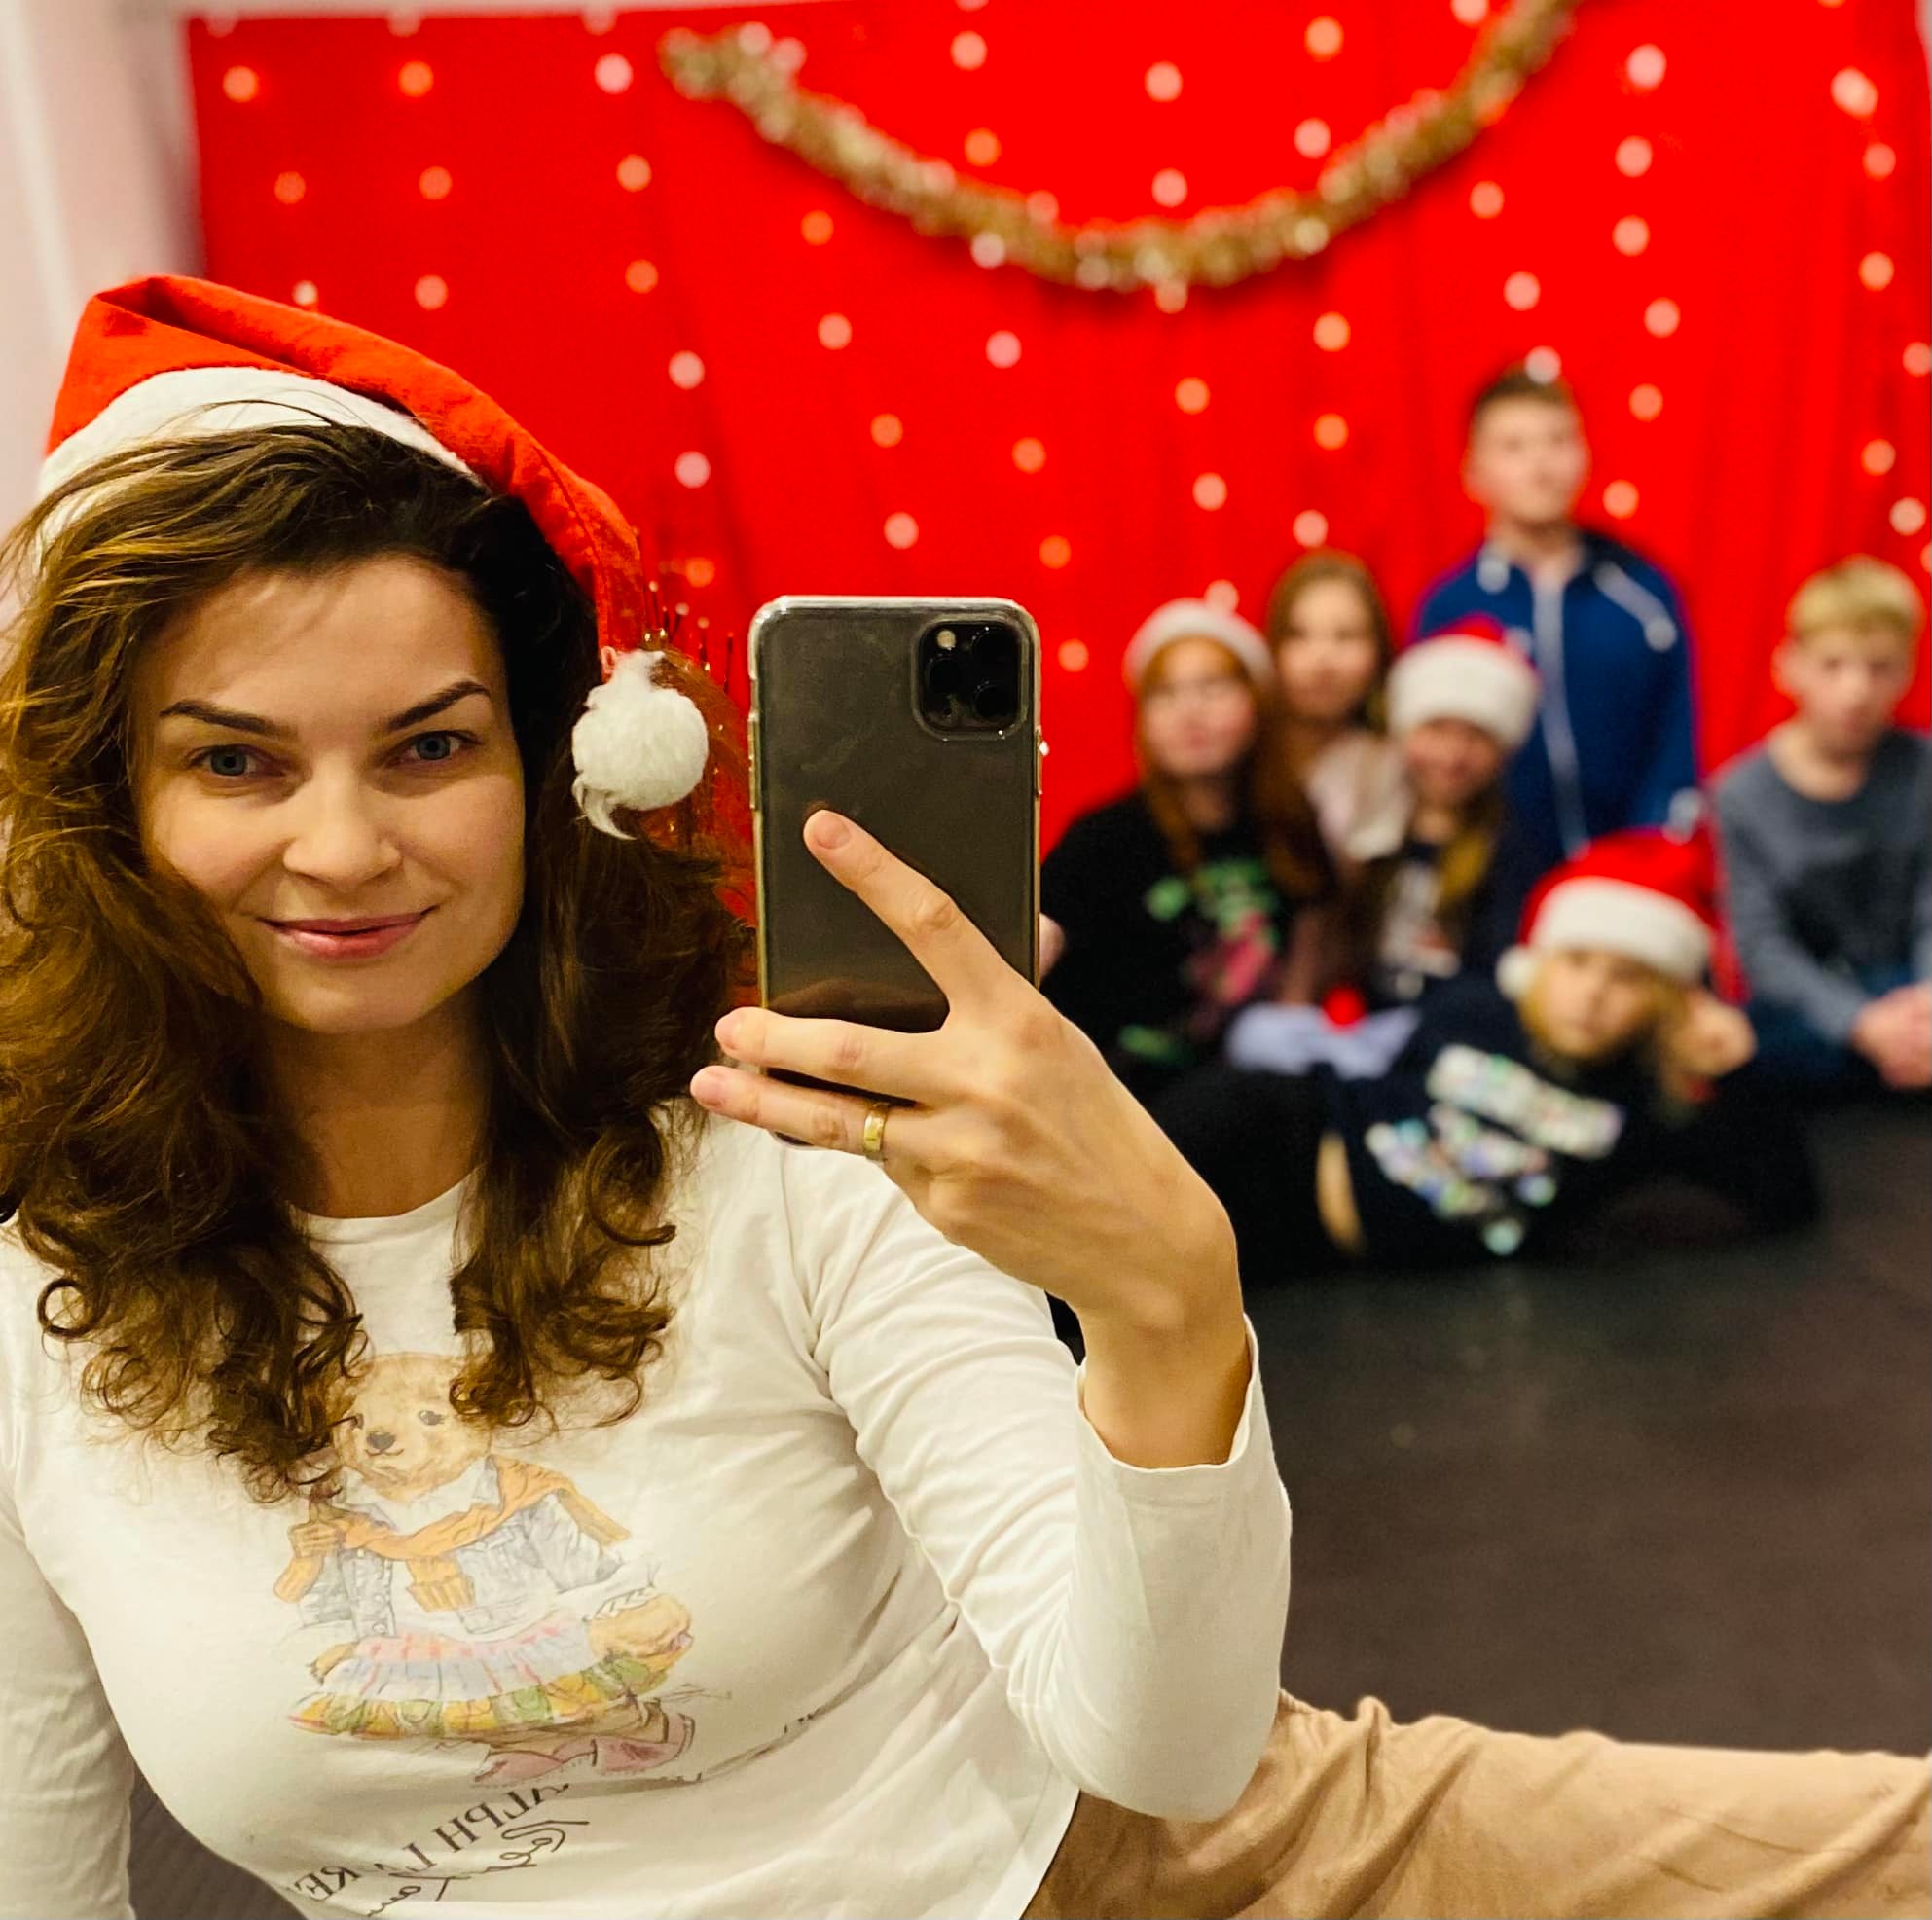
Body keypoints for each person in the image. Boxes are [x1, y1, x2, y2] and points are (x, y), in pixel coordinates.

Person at [0, 278, 1923, 1920]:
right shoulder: (31, 1306)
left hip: (1101, 1865)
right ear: (108, 798)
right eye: (237, 761)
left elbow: (1160, 1745)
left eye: (430, 746)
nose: (344, 845)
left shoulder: (779, 1142)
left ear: (550, 763)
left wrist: (1163, 1299)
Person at [1159, 828, 1820, 1281]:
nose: (1592, 993)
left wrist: (1737, 1068)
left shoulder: (1641, 1107)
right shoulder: (1478, 1009)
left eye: (1625, 978)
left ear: (1660, 1001)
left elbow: (1786, 1198)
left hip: (1305, 1248)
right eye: (1577, 964)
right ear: (1541, 964)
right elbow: (1364, 1075)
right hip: (1280, 1141)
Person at [1222, 616, 1549, 1082]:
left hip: (1442, 1037)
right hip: (1351, 1024)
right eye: (1436, 730)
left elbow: (1496, 977)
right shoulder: (1372, 828)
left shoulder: (1511, 849)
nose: (1453, 755)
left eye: (1475, 737)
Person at [1039, 598, 1332, 1105]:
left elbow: (1307, 955)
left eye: (1213, 687)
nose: (1190, 712)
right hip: (1115, 1095)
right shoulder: (1102, 839)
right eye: (1166, 693)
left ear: (1256, 702)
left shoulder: (1289, 826)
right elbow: (1037, 943)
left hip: (1249, 1089)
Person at [1415, 365, 1700, 876]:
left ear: (1584, 454)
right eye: (1514, 447)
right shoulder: (1451, 608)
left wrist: (1648, 860)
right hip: (1492, 882)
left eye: (1557, 441)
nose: (1540, 465)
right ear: (1473, 472)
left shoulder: (1643, 595)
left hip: (1629, 875)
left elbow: (1675, 746)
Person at [1713, 557, 1931, 1094]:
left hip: (1914, 989)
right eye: (1833, 665)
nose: (1856, 691)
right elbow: (1764, 946)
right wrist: (1861, 1024)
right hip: (1814, 1009)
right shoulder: (1742, 793)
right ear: (1789, 666)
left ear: (1906, 671)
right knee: (1734, 1044)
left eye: (1878, 667)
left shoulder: (1922, 769)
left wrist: (1926, 1006)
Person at [1263, 548, 1409, 870]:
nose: (1322, 660)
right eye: (1298, 635)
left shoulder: (1398, 765)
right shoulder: (1242, 756)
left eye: (1346, 636)